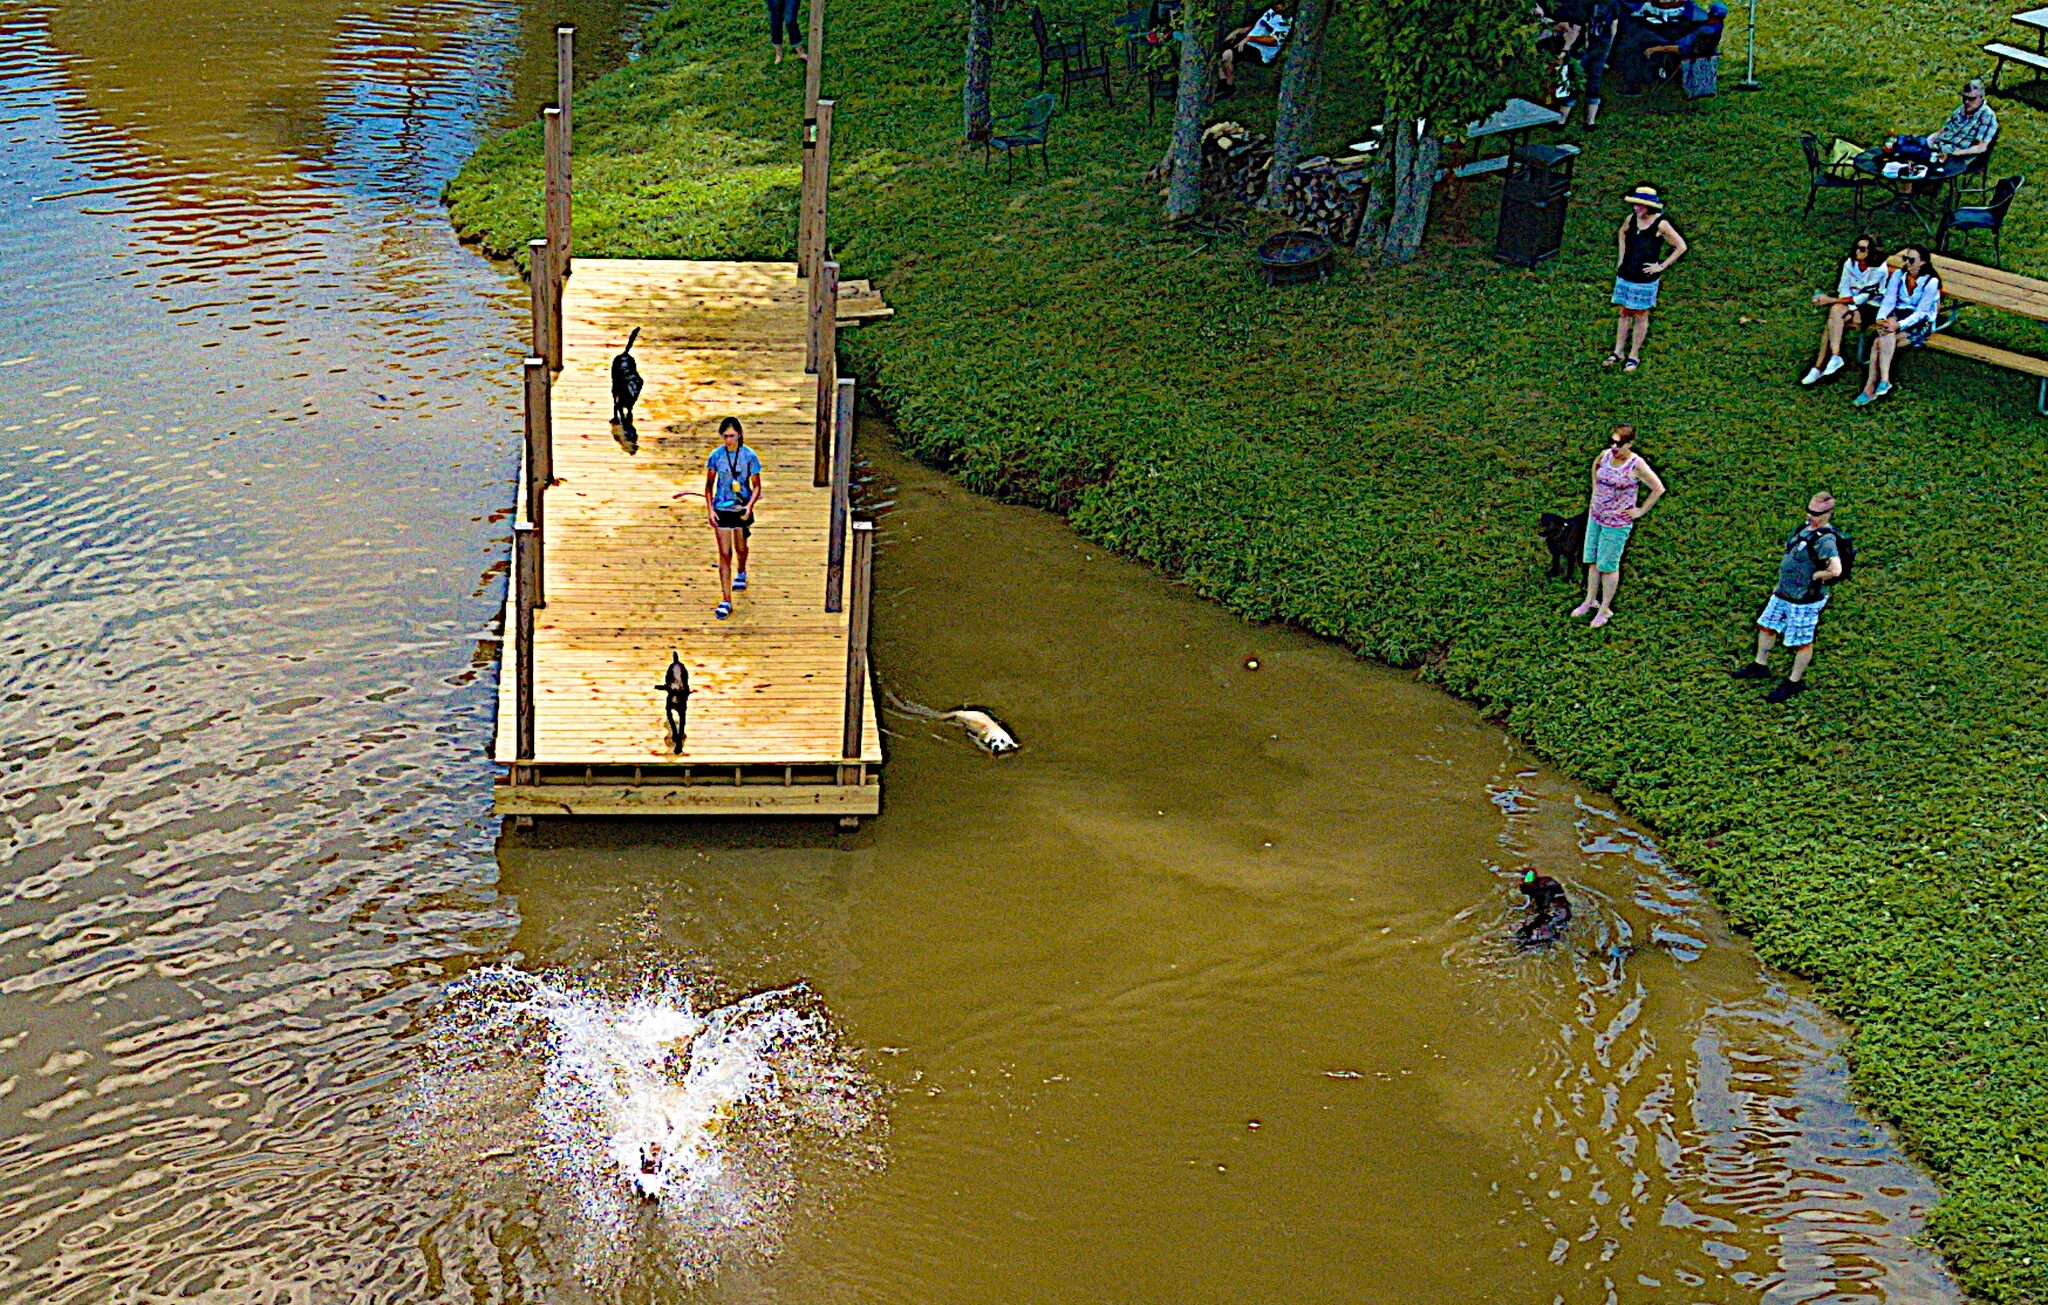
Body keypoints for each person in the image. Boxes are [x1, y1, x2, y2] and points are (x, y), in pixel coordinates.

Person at [1732, 491, 1844, 702]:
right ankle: (1760, 665)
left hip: (1804, 601)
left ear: (1829, 513)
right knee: (1767, 626)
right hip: (1783, 593)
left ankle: (1794, 681)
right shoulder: (1804, 528)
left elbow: (1836, 570)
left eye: (1817, 514)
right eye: (1809, 511)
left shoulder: (1826, 540)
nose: (1812, 516)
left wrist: (1818, 575)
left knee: (1802, 641)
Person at [1570, 424, 1666, 628]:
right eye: (1612, 442)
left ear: (1630, 444)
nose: (1614, 447)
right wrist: (1596, 492)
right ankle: (1589, 601)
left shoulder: (1635, 464)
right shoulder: (1605, 455)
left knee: (1608, 566)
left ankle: (1604, 609)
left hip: (1617, 523)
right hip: (1596, 517)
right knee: (1593, 560)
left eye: (1619, 443)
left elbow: (1658, 488)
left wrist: (1640, 510)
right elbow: (1595, 467)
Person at [1605, 186, 1686, 372]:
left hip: (1644, 279)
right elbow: (1622, 233)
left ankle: (1633, 355)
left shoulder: (1661, 224)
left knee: (1640, 315)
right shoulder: (1631, 220)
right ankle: (1618, 351)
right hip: (1627, 274)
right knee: (1624, 312)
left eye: (1639, 205)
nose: (1635, 208)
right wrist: (1621, 258)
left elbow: (1680, 246)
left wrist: (1661, 266)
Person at [1854, 244, 1940, 406]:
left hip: (1919, 322)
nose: (1907, 262)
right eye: (1905, 258)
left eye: (1911, 260)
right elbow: (1889, 300)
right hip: (1899, 315)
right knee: (1883, 338)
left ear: (1922, 262)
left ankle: (1870, 388)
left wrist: (1898, 325)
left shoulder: (1930, 282)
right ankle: (1882, 382)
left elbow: (1921, 313)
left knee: (1878, 343)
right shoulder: (1899, 275)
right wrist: (1881, 318)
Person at [1802, 234, 1888, 386]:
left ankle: (1818, 366)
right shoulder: (1850, 263)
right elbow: (1843, 289)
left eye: (1862, 249)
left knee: (1833, 320)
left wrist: (1830, 300)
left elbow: (1863, 297)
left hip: (1872, 308)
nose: (1857, 251)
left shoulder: (1879, 270)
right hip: (1852, 305)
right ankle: (1834, 357)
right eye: (1856, 247)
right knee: (1836, 314)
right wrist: (1845, 306)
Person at [704, 417, 763, 620]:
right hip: (721, 508)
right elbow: (709, 486)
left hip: (741, 507)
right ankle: (726, 599)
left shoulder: (749, 456)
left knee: (740, 547)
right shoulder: (716, 456)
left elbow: (756, 485)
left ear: (739, 435)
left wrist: (749, 506)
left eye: (731, 436)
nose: (728, 440)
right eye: (725, 436)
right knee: (724, 553)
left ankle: (742, 570)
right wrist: (710, 510)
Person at [1217, 1, 1294, 95]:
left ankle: (1228, 86)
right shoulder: (1272, 10)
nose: (1277, 6)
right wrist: (1241, 30)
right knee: (1224, 46)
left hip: (1262, 51)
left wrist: (1250, 38)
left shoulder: (1286, 22)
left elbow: (1272, 40)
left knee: (1228, 54)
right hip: (1250, 40)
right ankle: (1223, 83)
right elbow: (1260, 26)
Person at [1928, 78, 1999, 162]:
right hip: (1939, 145)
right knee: (1911, 145)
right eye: (1964, 97)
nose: (1966, 102)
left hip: (1956, 154)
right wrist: (1933, 136)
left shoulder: (1987, 116)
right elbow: (1946, 128)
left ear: (1981, 97)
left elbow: (1981, 147)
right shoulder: (1961, 109)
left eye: (1971, 99)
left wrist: (1959, 152)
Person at [1517, 869, 1572, 946]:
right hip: (1556, 912)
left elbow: (1547, 895)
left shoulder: (1545, 884)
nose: (1525, 881)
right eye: (1525, 878)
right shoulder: (1544, 884)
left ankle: (1541, 940)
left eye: (1528, 878)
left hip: (1557, 912)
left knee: (1544, 926)